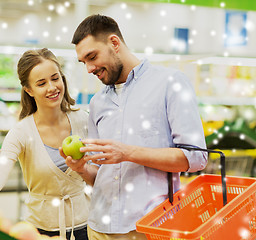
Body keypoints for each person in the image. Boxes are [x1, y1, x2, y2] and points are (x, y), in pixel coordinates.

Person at [60, 14, 207, 240]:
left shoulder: (170, 84)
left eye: (92, 56)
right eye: (83, 62)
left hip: (149, 227)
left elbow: (196, 158)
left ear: (114, 43)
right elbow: (101, 174)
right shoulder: (97, 103)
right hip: (99, 227)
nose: (89, 68)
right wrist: (81, 169)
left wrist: (127, 153)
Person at [0, 48, 90, 240]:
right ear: (29, 90)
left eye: (55, 78)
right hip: (39, 230)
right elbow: (0, 168)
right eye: (41, 83)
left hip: (85, 225)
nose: (52, 87)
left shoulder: (83, 121)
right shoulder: (22, 132)